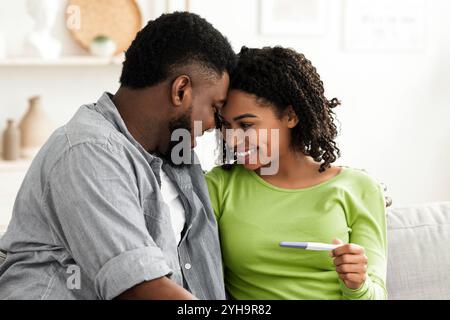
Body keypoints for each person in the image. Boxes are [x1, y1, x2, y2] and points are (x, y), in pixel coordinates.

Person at [0, 12, 235, 300]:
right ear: (181, 90)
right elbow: (140, 289)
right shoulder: (88, 150)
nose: (213, 125)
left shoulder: (176, 155)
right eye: (214, 107)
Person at [206, 46, 388, 300]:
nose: (233, 140)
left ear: (290, 116)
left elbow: (377, 295)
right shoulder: (218, 186)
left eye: (246, 125)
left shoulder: (360, 188)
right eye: (226, 126)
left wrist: (357, 284)